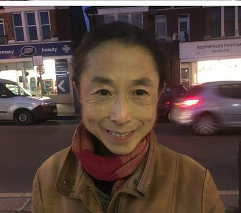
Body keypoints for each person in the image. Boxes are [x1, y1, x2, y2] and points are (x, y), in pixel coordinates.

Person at [32, 22, 224, 213]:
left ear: (157, 94)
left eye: (139, 92)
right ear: (79, 92)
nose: (121, 116)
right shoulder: (47, 177)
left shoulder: (195, 184)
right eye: (103, 92)